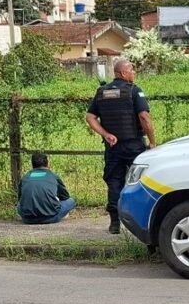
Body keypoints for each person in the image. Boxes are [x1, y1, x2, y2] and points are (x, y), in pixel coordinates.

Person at [86, 60, 157, 234]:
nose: (134, 72)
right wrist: (153, 142)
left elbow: (90, 117)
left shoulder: (102, 92)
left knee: (114, 183)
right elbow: (144, 118)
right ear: (123, 73)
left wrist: (105, 134)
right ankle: (143, 223)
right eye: (132, 69)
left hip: (112, 146)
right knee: (141, 182)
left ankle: (114, 223)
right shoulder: (134, 90)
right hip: (133, 145)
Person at [17, 152, 76, 224]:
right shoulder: (53, 176)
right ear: (47, 164)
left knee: (19, 205)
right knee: (71, 201)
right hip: (50, 217)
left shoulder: (25, 177)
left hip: (28, 219)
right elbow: (65, 196)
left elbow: (20, 199)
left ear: (32, 164)